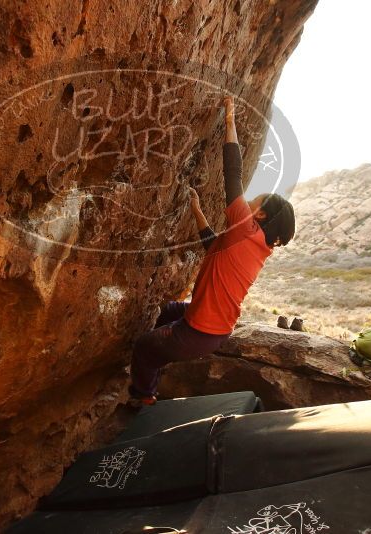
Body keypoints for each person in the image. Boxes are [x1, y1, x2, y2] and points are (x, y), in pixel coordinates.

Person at [128, 96, 296, 407]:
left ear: (258, 215)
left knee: (144, 345)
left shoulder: (246, 228)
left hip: (198, 331)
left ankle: (144, 397)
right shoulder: (255, 245)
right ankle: (159, 362)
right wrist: (196, 209)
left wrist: (230, 120)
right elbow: (212, 247)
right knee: (163, 313)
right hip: (213, 327)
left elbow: (232, 175)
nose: (248, 203)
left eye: (254, 202)